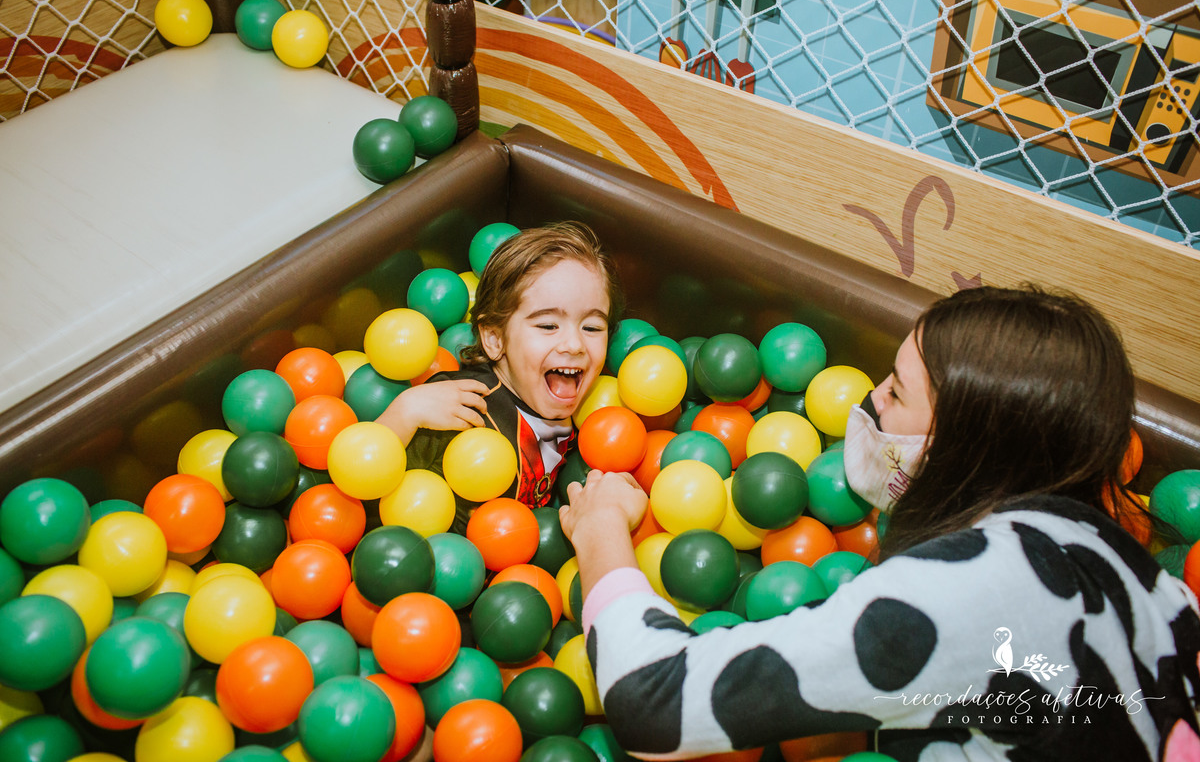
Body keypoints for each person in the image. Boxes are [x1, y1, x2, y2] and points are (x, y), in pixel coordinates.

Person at [560, 285, 1200, 761]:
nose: (870, 403)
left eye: (895, 392)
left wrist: (601, 530)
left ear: (962, 445)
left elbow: (652, 700)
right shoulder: (1143, 576)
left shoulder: (962, 592)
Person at [377, 221, 622, 529]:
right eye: (548, 325)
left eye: (592, 327)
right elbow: (364, 483)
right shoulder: (459, 407)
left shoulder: (593, 410)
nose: (574, 345)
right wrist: (405, 411)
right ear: (494, 339)